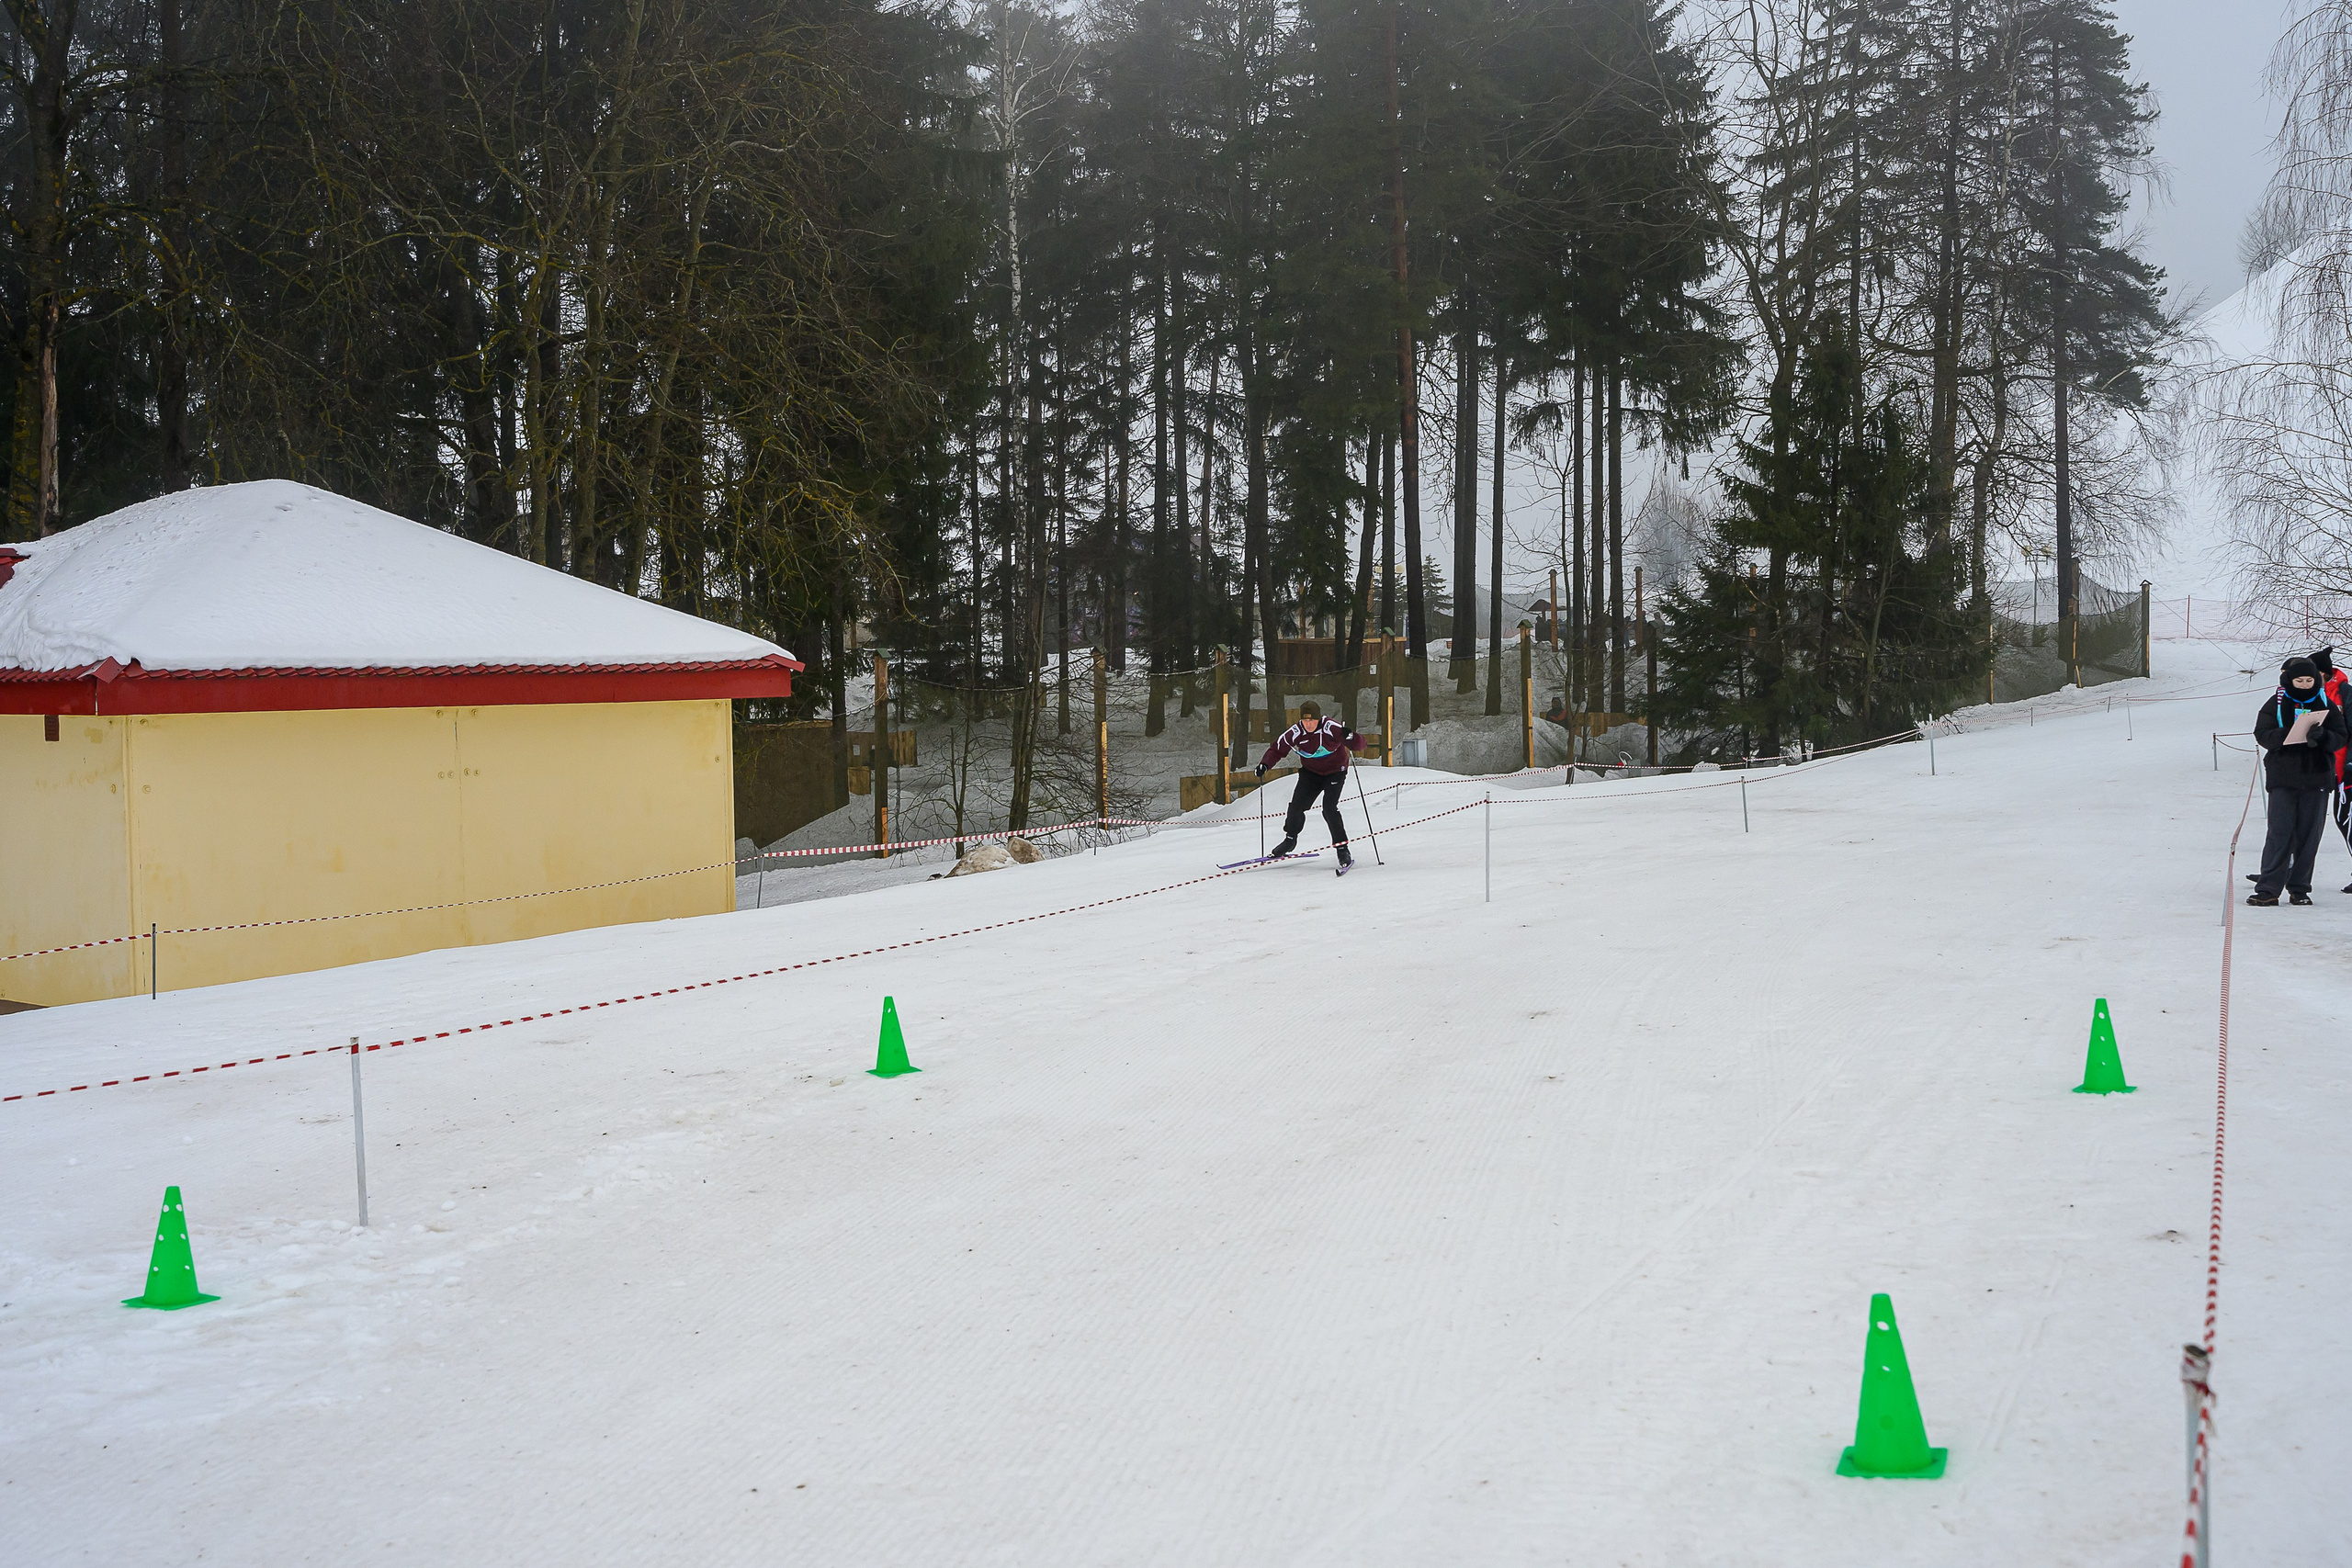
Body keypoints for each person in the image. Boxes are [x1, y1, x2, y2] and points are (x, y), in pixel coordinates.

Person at [2249, 654, 2348, 906]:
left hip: (2316, 778)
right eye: (2299, 680)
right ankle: (2269, 888)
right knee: (2279, 833)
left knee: (2309, 835)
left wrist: (2323, 737)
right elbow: (2262, 733)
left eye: (2308, 680)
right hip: (2284, 777)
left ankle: (2300, 887)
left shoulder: (2326, 703)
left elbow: (2341, 735)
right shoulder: (2277, 702)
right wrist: (2287, 735)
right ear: (2289, 680)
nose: (2304, 685)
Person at [1256, 699, 1365, 865]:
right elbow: (1277, 749)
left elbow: (1359, 745)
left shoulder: (1330, 727)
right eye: (1305, 720)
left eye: (1312, 720)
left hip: (1335, 772)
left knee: (1329, 808)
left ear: (1318, 719)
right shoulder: (1296, 731)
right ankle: (1290, 840)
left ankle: (1342, 849)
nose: (1308, 724)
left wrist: (1352, 736)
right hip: (1311, 773)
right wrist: (1265, 765)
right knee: (1296, 806)